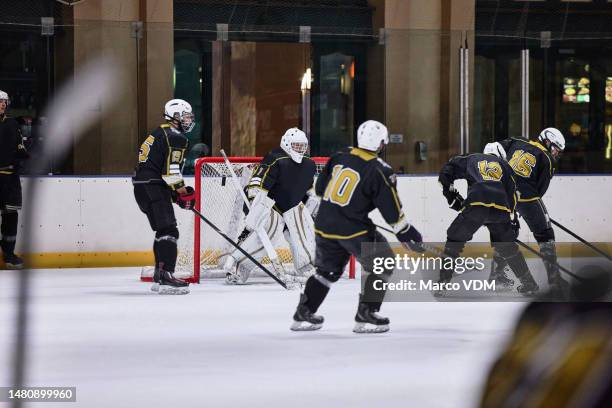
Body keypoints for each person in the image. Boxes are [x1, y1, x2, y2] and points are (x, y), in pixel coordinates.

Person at [290, 120, 423, 333]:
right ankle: (367, 314)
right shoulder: (380, 170)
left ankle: (304, 312)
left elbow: (320, 188)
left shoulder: (339, 156)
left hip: (324, 223)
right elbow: (391, 210)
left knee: (326, 271)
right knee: (383, 262)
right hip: (353, 228)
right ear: (381, 143)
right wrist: (407, 233)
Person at [437, 143, 538, 296]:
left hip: (477, 204)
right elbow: (513, 195)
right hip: (501, 209)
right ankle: (529, 283)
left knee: (454, 240)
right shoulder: (505, 166)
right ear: (500, 156)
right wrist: (512, 219)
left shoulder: (472, 158)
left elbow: (446, 171)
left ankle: (443, 283)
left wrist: (451, 196)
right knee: (508, 248)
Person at [223, 127, 319, 286]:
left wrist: (311, 211)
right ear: (287, 144)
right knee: (269, 232)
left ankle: (306, 266)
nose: (300, 149)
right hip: (267, 204)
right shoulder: (275, 158)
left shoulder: (309, 164)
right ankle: (238, 267)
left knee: (305, 231)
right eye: (296, 146)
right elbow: (257, 183)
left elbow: (307, 191)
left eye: (303, 146)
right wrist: (256, 208)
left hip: (291, 206)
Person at [495, 128, 569, 297]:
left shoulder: (516, 141)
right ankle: (554, 278)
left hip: (502, 195)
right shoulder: (547, 159)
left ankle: (505, 276)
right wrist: (526, 206)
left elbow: (494, 150)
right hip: (528, 197)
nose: (556, 153)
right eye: (556, 148)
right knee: (545, 234)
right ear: (548, 141)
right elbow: (539, 191)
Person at [133, 99, 196, 295]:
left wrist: (174, 195)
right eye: (185, 116)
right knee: (169, 230)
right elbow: (171, 172)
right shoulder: (175, 137)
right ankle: (166, 276)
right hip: (153, 187)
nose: (188, 121)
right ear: (175, 117)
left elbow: (157, 169)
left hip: (143, 186)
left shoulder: (159, 132)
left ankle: (160, 275)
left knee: (163, 230)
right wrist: (182, 191)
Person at [0, 90, 29, 269]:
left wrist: (19, 159)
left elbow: (21, 149)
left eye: (4, 101)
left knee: (10, 216)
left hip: (9, 178)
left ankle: (9, 254)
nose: (3, 104)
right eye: (0, 101)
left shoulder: (12, 124)